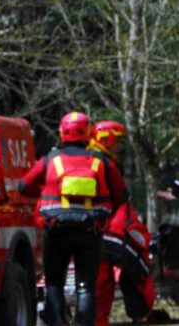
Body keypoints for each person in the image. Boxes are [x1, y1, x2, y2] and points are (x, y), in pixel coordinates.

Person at [19, 111, 127, 326]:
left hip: (55, 230)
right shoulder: (101, 161)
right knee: (86, 285)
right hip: (90, 231)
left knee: (54, 283)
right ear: (88, 133)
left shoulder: (50, 159)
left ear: (61, 132)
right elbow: (122, 194)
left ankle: (58, 323)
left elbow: (23, 186)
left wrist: (44, 192)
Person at [89, 121, 155, 325]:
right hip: (100, 232)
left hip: (73, 230)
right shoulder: (104, 163)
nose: (118, 146)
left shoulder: (83, 160)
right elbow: (122, 195)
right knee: (101, 283)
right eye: (116, 141)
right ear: (105, 139)